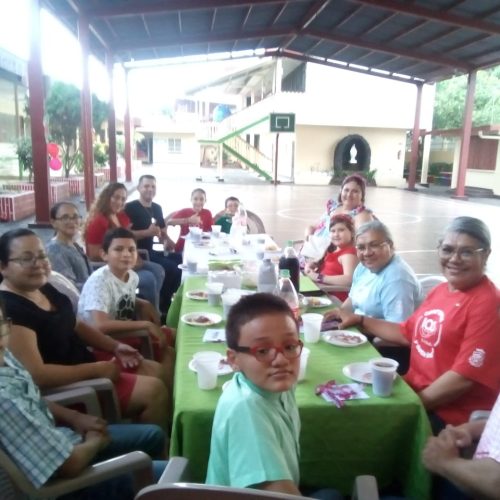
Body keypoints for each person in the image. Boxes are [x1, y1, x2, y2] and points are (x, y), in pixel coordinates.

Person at [330, 217, 500, 433]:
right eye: (447, 250)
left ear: (486, 254)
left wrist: (411, 406)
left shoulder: (488, 304)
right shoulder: (441, 291)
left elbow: (463, 379)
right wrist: (361, 320)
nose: (454, 259)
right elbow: (406, 333)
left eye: (466, 252)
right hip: (412, 389)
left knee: (357, 428)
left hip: (449, 417)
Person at [0, 228, 170, 430]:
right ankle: (146, 444)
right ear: (3, 266)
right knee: (155, 391)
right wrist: (96, 370)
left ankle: (149, 429)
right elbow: (38, 375)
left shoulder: (43, 288)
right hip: (67, 389)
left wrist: (115, 347)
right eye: (26, 259)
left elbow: (77, 325)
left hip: (85, 362)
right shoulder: (10, 309)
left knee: (156, 370)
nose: (38, 264)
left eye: (42, 256)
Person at [0, 304, 168, 499]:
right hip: (65, 485)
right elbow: (68, 465)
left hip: (63, 440)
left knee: (154, 435)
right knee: (170, 478)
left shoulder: (5, 358)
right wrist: (95, 441)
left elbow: (31, 396)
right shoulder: (4, 401)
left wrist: (75, 417)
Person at [206, 293, 341, 499]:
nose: (281, 360)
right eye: (262, 351)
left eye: (289, 346)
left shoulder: (275, 384)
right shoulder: (246, 410)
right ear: (233, 359)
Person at [78, 227, 174, 388]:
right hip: (101, 343)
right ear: (104, 254)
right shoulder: (100, 281)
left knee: (171, 345)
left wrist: (141, 302)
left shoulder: (132, 276)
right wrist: (145, 324)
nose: (126, 254)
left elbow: (120, 296)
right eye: (118, 249)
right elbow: (100, 325)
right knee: (161, 368)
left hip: (125, 332)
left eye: (131, 249)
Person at [83, 182, 164, 312]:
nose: (119, 202)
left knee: (158, 270)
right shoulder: (98, 221)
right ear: (107, 197)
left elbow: (127, 237)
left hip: (127, 262)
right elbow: (93, 254)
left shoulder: (120, 216)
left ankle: (149, 309)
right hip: (111, 268)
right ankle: (149, 313)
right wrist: (122, 259)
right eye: (116, 197)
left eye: (123, 199)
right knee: (149, 279)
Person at [341, 220, 422, 322]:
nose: (367, 253)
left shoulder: (397, 280)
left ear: (390, 245)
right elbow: (352, 300)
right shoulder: (363, 267)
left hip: (374, 332)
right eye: (361, 248)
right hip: (358, 326)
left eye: (374, 245)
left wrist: (360, 321)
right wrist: (339, 314)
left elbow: (397, 328)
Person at [422, 393, 500, 500]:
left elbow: (496, 483)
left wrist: (445, 462)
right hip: (474, 472)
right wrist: (471, 430)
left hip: (481, 484)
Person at [124, 175, 182, 313]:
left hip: (152, 251)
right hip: (139, 253)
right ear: (138, 188)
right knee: (172, 268)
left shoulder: (157, 208)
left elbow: (161, 232)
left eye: (153, 186)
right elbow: (125, 234)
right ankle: (164, 305)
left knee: (181, 260)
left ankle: (165, 297)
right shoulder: (130, 208)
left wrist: (167, 241)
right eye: (146, 186)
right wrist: (147, 232)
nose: (150, 189)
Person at [303, 214, 358, 302]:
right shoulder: (334, 250)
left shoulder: (349, 254)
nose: (336, 234)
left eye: (341, 230)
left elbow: (349, 279)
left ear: (352, 233)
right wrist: (312, 265)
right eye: (332, 231)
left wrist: (319, 277)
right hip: (322, 291)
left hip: (333, 298)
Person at [306, 173, 375, 240]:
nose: (349, 195)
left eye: (355, 191)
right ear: (341, 191)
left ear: (362, 195)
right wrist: (308, 237)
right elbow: (313, 227)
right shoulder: (333, 208)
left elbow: (363, 240)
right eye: (346, 190)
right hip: (315, 244)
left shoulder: (362, 215)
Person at [46, 201, 92, 291]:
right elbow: (67, 287)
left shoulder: (74, 244)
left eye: (75, 217)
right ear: (53, 222)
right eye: (65, 217)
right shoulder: (55, 251)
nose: (71, 221)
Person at [166, 188, 213, 252]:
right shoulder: (185, 211)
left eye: (201, 199)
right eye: (195, 199)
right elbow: (169, 222)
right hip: (182, 248)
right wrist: (188, 220)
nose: (198, 202)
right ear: (191, 200)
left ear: (205, 201)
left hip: (201, 247)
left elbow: (210, 231)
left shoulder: (207, 213)